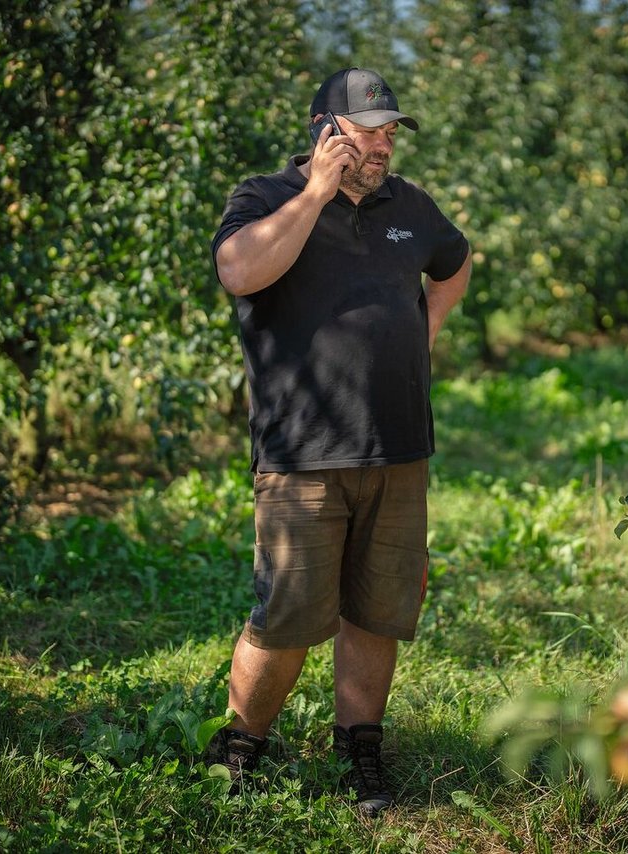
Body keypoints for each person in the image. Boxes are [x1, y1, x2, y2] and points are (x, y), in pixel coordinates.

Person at [206, 67, 472, 816]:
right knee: (286, 619)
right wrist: (316, 193)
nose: (385, 142)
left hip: (398, 448)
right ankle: (240, 747)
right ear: (324, 128)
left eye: (392, 129)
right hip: (303, 456)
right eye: (370, 128)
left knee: (376, 611)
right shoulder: (263, 197)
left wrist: (425, 336)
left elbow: (454, 263)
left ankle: (361, 750)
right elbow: (238, 271)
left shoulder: (408, 206)